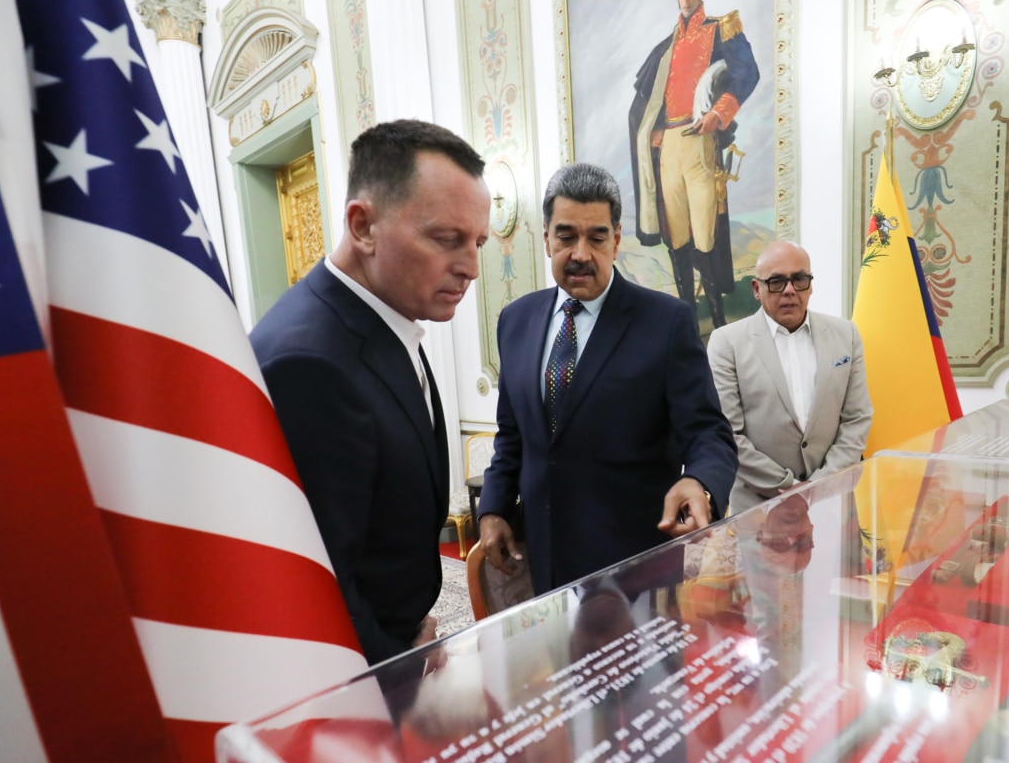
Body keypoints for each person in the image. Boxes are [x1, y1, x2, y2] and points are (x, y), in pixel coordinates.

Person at [250, 120, 490, 664]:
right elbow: (314, 584)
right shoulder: (308, 363)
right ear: (363, 226)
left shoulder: (385, 315)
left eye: (477, 242)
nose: (472, 267)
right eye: (446, 239)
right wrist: (398, 665)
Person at [477, 162, 738, 593]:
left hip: (637, 568)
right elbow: (512, 435)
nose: (581, 253)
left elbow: (709, 432)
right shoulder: (515, 320)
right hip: (542, 558)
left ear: (616, 240)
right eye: (566, 236)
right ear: (546, 239)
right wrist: (494, 509)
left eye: (596, 237)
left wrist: (700, 482)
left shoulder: (666, 322)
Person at [629, 0, 760, 328]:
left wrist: (718, 114)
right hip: (669, 145)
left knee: (706, 235)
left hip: (701, 140)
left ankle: (718, 323)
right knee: (677, 237)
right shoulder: (666, 45)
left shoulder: (721, 29)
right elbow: (652, 97)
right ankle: (686, 319)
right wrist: (653, 129)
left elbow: (748, 74)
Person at [707, 241, 872, 514]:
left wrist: (818, 487)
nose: (789, 290)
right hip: (758, 509)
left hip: (832, 501)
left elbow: (857, 418)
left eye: (799, 279)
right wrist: (787, 487)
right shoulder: (726, 343)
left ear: (810, 283)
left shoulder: (846, 335)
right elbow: (728, 434)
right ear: (756, 289)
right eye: (776, 281)